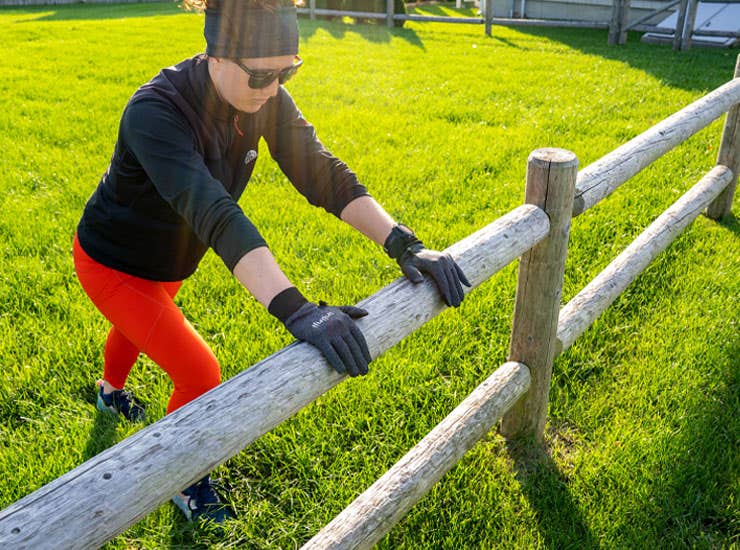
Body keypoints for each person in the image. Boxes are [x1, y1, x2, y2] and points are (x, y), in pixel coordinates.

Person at [72, 0, 470, 525]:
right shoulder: (155, 112)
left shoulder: (267, 100)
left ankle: (108, 393)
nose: (274, 87)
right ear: (217, 54)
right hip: (112, 261)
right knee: (200, 371)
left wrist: (403, 242)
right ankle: (184, 478)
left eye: (288, 71)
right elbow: (215, 212)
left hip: (169, 261)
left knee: (142, 326)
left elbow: (323, 173)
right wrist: (296, 309)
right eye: (262, 73)